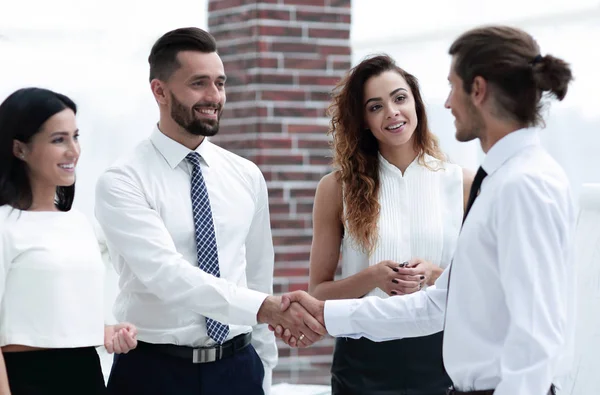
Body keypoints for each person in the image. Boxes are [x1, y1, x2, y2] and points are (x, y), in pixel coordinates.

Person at [275, 25, 575, 395]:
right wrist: (325, 311)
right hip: (369, 367)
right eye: (375, 106)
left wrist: (431, 273)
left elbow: (535, 336)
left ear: (477, 90)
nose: (446, 102)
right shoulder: (497, 180)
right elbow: (438, 303)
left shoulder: (521, 185)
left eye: (451, 86)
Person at [94, 27, 325, 395]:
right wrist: (265, 308)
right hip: (153, 374)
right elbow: (168, 274)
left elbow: (259, 274)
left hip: (239, 369)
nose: (214, 96)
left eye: (220, 83)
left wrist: (262, 368)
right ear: (160, 91)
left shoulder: (246, 175)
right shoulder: (123, 180)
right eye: (199, 83)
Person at [307, 54, 473, 395]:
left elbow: (480, 288)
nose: (392, 112)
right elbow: (318, 293)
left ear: (417, 105)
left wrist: (434, 276)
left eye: (400, 98)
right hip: (363, 362)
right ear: (364, 120)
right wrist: (373, 277)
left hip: (443, 356)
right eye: (375, 106)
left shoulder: (462, 183)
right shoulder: (336, 188)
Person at [0, 87, 138, 395]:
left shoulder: (77, 222)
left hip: (85, 374)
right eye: (58, 139)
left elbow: (56, 316)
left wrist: (105, 331)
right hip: (25, 380)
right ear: (19, 149)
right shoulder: (5, 226)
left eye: (75, 137)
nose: (73, 150)